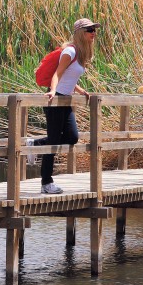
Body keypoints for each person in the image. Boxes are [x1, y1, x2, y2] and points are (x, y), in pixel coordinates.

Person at [30, 17, 98, 194]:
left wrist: (80, 90)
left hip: (66, 99)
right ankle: (46, 183)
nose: (93, 33)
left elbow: (69, 76)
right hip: (56, 99)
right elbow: (58, 74)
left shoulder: (80, 53)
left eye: (94, 30)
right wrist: (52, 91)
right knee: (53, 141)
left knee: (72, 137)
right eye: (90, 30)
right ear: (80, 33)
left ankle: (34, 144)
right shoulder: (69, 51)